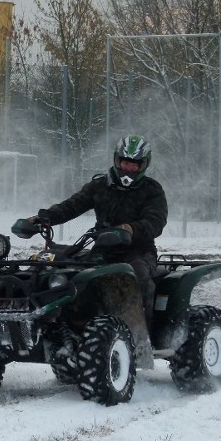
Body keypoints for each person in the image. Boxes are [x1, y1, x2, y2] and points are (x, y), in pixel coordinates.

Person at [29, 135, 168, 327]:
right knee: (68, 272)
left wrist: (131, 229)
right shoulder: (100, 186)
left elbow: (156, 221)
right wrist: (44, 219)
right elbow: (71, 206)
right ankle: (66, 322)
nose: (129, 168)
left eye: (135, 165)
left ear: (144, 165)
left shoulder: (152, 190)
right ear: (116, 160)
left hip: (139, 251)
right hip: (103, 249)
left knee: (137, 274)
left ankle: (142, 331)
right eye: (125, 162)